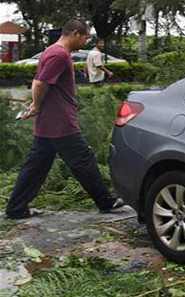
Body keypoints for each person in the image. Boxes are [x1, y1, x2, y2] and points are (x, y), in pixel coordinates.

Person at [4, 19, 124, 219]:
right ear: (75, 33)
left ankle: (16, 209)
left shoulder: (51, 51)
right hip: (60, 122)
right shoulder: (59, 54)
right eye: (85, 37)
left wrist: (37, 107)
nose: (85, 42)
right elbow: (40, 84)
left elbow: (39, 82)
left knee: (35, 167)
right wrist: (37, 105)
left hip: (49, 123)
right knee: (84, 160)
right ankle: (106, 202)